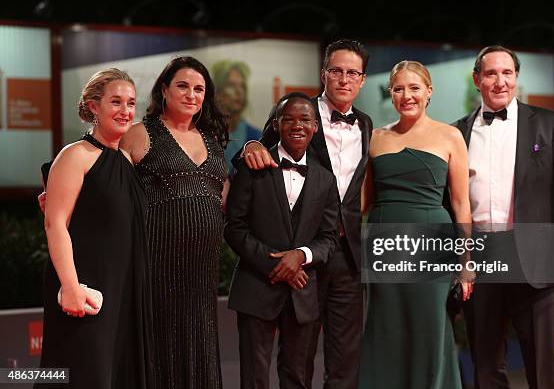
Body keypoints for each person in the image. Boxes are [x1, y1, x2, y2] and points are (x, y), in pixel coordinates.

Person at [239, 39, 373, 388]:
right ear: (324, 74)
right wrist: (248, 146)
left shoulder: (366, 124)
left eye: (352, 73)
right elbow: (263, 145)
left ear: (362, 79)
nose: (344, 79)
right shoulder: (299, 112)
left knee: (346, 357)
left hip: (347, 253)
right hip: (301, 255)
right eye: (337, 71)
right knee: (298, 356)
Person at [455, 45, 554, 388]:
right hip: (481, 258)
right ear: (477, 79)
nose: (500, 81)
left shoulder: (549, 123)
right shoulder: (457, 133)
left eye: (507, 73)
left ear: (516, 77)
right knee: (486, 366)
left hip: (538, 258)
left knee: (542, 367)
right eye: (491, 73)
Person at [359, 61, 472, 388]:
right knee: (385, 329)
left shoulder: (450, 136)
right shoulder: (377, 138)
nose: (406, 95)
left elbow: (461, 204)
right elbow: (363, 204)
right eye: (398, 89)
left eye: (414, 88)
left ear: (429, 92)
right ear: (390, 93)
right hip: (383, 245)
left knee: (429, 327)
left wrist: (466, 263)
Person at [37, 68, 150, 388]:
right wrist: (71, 286)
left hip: (123, 289)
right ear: (93, 106)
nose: (126, 111)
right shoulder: (75, 156)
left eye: (130, 103)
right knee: (81, 374)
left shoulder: (126, 162)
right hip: (85, 287)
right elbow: (55, 223)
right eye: (116, 102)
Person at [120, 56, 229, 389]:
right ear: (164, 89)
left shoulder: (213, 141)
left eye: (199, 89)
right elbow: (110, 187)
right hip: (156, 266)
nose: (191, 94)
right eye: (182, 86)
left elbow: (222, 200)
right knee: (159, 349)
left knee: (200, 347)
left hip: (202, 273)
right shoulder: (140, 133)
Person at [225, 92, 339, 389]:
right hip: (256, 286)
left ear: (315, 127)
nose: (297, 125)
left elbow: (328, 238)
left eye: (305, 119)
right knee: (254, 378)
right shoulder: (252, 165)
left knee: (298, 377)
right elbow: (233, 227)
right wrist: (273, 263)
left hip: (302, 292)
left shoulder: (326, 179)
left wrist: (300, 256)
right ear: (276, 124)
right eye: (289, 119)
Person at [212, 60, 262, 168]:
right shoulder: (201, 134)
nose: (239, 92)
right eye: (231, 85)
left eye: (242, 86)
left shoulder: (257, 138)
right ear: (218, 91)